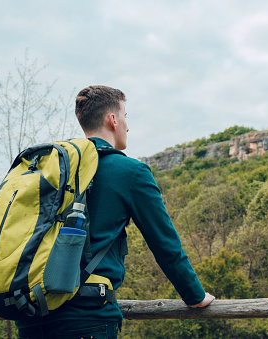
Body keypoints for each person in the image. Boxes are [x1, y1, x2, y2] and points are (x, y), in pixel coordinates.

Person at [16, 85, 214, 338]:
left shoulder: (53, 169)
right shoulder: (131, 172)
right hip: (88, 318)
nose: (127, 126)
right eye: (125, 117)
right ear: (112, 120)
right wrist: (195, 296)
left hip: (31, 313)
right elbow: (165, 244)